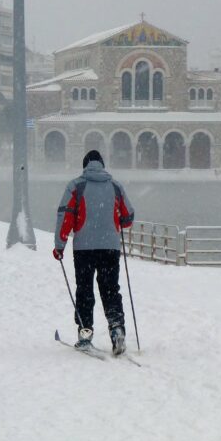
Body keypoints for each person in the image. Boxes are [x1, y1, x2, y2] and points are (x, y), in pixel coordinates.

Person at [52, 149, 134, 355]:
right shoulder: (115, 186)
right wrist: (116, 218)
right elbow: (129, 217)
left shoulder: (76, 186)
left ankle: (85, 333)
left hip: (84, 249)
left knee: (84, 290)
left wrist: (59, 245)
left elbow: (65, 216)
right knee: (110, 290)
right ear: (102, 165)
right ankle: (117, 330)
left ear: (84, 165)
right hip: (110, 247)